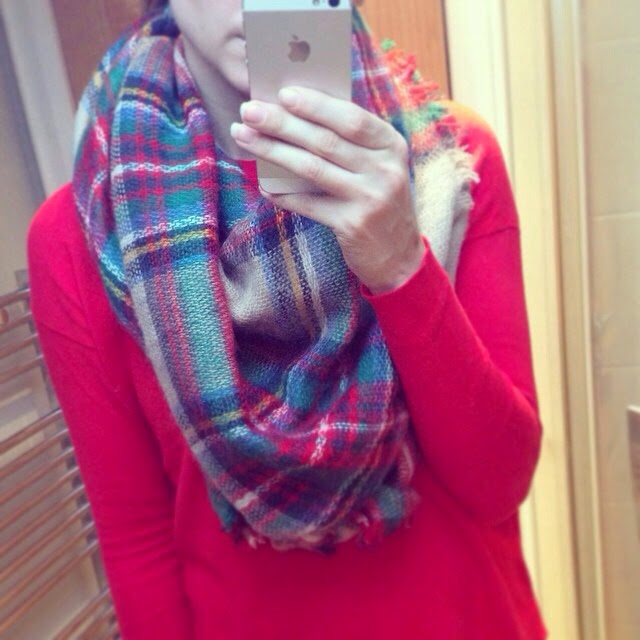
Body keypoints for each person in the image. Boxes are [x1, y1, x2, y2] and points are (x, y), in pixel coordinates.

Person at [27, 0, 547, 638]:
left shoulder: (446, 161)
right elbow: (138, 543)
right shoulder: (84, 233)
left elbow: (498, 483)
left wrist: (400, 266)